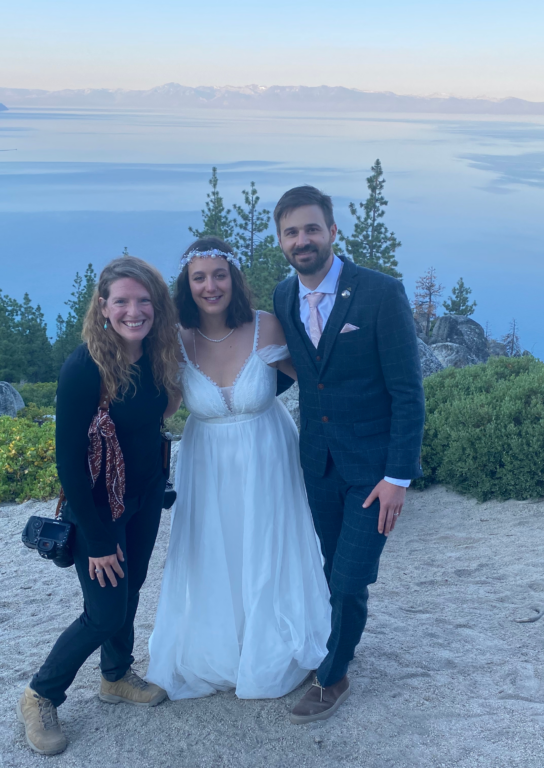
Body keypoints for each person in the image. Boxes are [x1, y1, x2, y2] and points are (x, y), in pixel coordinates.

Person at [146, 237, 331, 700]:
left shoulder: (268, 326)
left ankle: (272, 645)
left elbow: (315, 377)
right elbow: (163, 408)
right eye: (199, 277)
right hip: (206, 462)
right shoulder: (176, 340)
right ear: (187, 285)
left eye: (219, 275)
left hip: (268, 453)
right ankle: (221, 648)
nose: (211, 286)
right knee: (215, 548)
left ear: (235, 279)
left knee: (270, 544)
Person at [270, 186, 425, 724]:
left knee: (349, 577)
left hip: (373, 471)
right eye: (292, 232)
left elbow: (408, 391)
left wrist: (398, 477)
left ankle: (332, 677)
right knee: (327, 569)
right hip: (317, 464)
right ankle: (334, 644)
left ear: (333, 232)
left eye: (312, 228)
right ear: (282, 242)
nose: (303, 240)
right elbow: (302, 370)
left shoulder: (380, 294)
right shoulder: (284, 299)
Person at [18, 256, 183, 756]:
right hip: (99, 509)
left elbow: (160, 413)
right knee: (105, 611)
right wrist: (98, 539)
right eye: (122, 302)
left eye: (143, 301)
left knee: (129, 593)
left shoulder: (155, 354)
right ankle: (40, 694)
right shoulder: (85, 367)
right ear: (103, 307)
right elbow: (68, 462)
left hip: (147, 495)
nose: (134, 311)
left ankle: (115, 676)